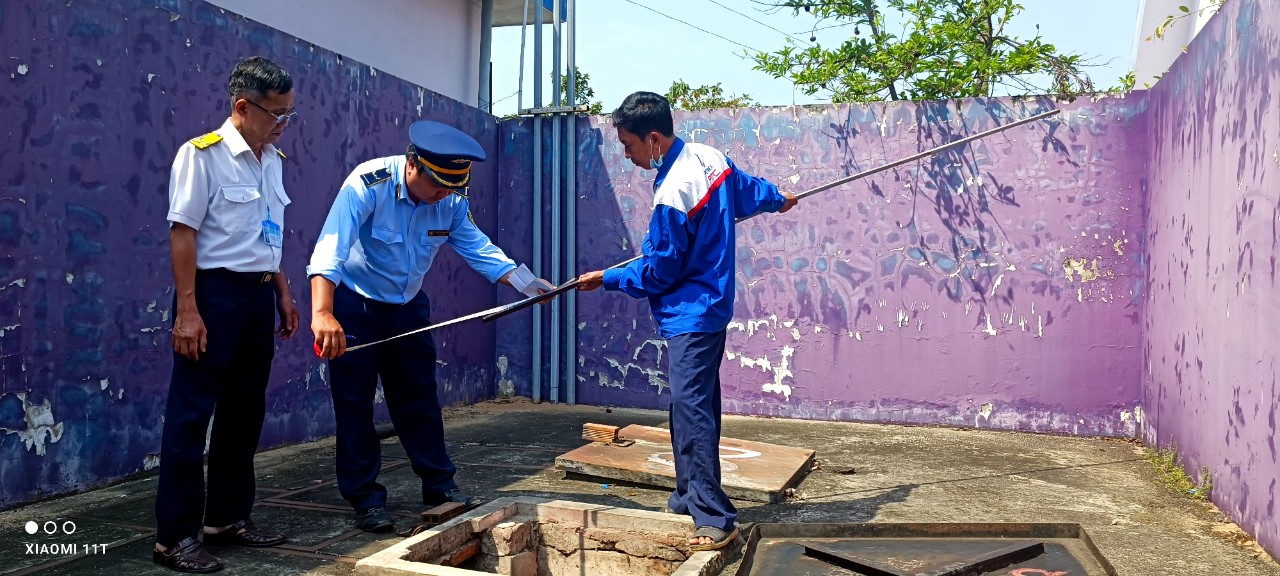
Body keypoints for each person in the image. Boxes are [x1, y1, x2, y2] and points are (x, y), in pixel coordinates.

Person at [307, 120, 554, 533]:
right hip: (355, 306)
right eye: (438, 185)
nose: (444, 196)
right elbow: (330, 247)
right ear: (412, 166)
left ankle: (439, 485)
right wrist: (322, 312)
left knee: (419, 399)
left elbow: (478, 247)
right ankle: (365, 498)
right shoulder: (368, 184)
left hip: (407, 307)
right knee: (355, 406)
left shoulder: (451, 201)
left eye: (452, 188)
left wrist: (528, 285)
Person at [576, 91, 798, 551]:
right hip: (713, 307)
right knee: (690, 404)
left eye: (629, 146)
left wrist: (609, 278)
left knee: (691, 409)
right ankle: (686, 495)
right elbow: (748, 190)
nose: (628, 155)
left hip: (691, 316)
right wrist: (779, 199)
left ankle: (714, 517)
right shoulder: (709, 157)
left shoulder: (672, 190)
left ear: (653, 138)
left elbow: (660, 269)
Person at [154, 56, 299, 573]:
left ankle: (227, 518)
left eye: (289, 114)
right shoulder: (202, 156)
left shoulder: (272, 160)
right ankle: (175, 537)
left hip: (257, 296)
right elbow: (183, 233)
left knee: (244, 413)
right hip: (211, 297)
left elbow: (267, 234)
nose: (283, 123)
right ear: (243, 106)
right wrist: (188, 311)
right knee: (192, 417)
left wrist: (282, 290)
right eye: (276, 113)